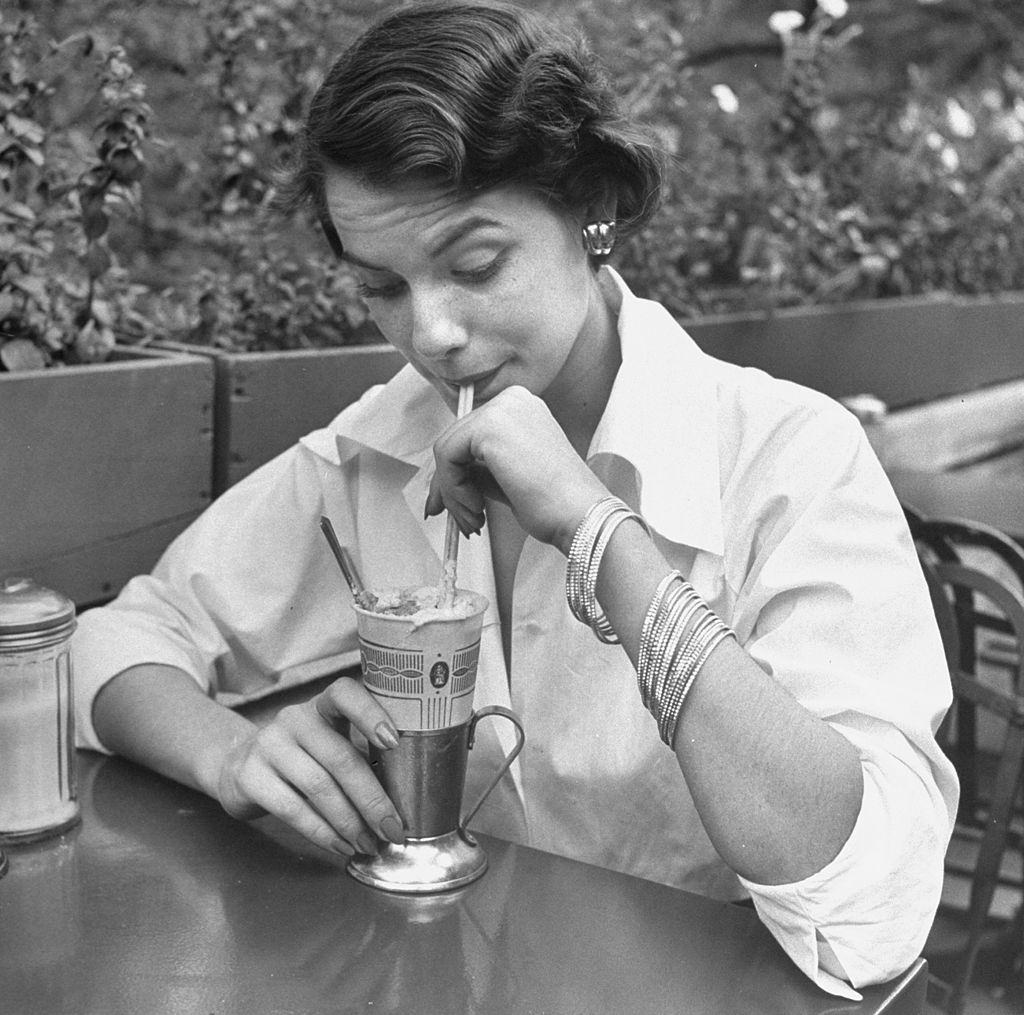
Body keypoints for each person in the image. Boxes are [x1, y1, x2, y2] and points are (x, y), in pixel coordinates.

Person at [72, 0, 957, 999]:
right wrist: (230, 753)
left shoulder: (786, 457)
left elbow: (867, 916)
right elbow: (118, 638)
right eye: (382, 287)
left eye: (475, 263)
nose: (432, 331)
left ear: (594, 211)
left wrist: (594, 527)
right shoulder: (383, 443)